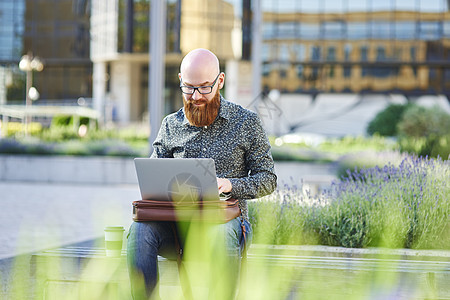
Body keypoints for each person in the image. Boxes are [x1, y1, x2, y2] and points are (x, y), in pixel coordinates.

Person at [127, 48, 277, 299]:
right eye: (189, 87)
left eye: (204, 88)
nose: (196, 96)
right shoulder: (170, 125)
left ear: (220, 81)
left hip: (227, 223)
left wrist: (230, 185)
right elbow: (154, 174)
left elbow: (268, 179)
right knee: (139, 231)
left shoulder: (246, 122)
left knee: (218, 234)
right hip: (176, 228)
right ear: (180, 81)